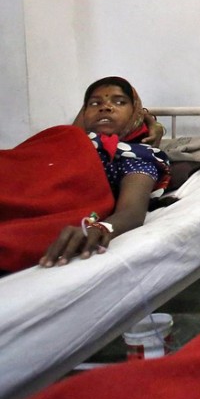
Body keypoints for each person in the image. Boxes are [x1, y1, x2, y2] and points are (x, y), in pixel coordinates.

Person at [38, 76, 171, 267]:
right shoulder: (68, 138)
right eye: (95, 103)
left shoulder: (136, 156)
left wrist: (100, 227)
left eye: (120, 102)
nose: (105, 107)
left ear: (135, 114)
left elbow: (131, 212)